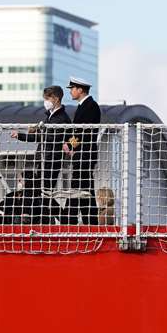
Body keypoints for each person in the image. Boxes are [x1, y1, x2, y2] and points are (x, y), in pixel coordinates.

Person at [11, 87, 70, 221]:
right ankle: (61, 219)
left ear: (56, 99)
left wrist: (21, 135)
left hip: (51, 160)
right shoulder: (51, 116)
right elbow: (44, 134)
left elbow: (46, 137)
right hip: (44, 159)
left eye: (47, 98)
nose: (45, 101)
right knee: (42, 192)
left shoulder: (60, 118)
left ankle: (63, 219)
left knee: (41, 191)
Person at [63, 76, 102, 225]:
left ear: (80, 90)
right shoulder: (84, 106)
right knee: (84, 188)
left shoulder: (91, 106)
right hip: (82, 154)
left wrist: (70, 144)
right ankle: (86, 220)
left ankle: (71, 219)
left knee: (81, 186)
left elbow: (84, 132)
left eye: (72, 89)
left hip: (85, 154)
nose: (71, 92)